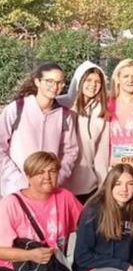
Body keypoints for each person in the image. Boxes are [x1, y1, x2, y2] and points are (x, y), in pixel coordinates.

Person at [0, 152, 82, 271]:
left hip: (48, 269)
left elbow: (86, 225)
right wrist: (30, 255)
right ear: (28, 176)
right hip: (14, 267)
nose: (47, 176)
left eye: (52, 171)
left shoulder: (65, 197)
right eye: (39, 172)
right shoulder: (11, 202)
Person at [0, 62, 77, 197]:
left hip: (48, 191)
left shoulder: (64, 114)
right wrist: (16, 178)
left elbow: (70, 151)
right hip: (17, 190)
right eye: (49, 81)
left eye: (60, 82)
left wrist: (58, 177)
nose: (55, 87)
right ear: (37, 82)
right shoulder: (17, 108)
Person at [57, 61, 110, 202]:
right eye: (88, 80)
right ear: (79, 80)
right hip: (60, 182)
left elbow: (101, 152)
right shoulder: (60, 105)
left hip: (87, 185)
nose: (93, 85)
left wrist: (102, 184)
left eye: (97, 81)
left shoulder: (101, 111)